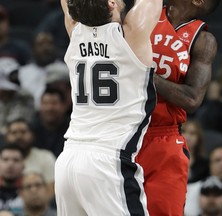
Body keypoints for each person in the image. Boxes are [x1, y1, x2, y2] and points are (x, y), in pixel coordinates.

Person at [55, 0, 162, 215]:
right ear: (112, 3)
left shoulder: (74, 30)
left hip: (68, 160)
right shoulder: (132, 34)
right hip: (108, 162)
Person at [135, 1, 220, 215]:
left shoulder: (202, 40)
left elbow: (192, 99)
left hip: (164, 138)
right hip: (125, 132)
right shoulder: (146, 13)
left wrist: (146, 76)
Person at [5, 118, 56, 200]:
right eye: (14, 133)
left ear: (32, 135)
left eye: (23, 132)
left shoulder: (45, 157)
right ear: (6, 137)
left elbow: (52, 189)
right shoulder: (2, 160)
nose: (19, 136)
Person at [181, 119, 209, 183]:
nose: (187, 137)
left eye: (192, 133)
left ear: (198, 139)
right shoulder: (169, 159)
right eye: (183, 132)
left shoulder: (204, 164)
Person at [0, 144, 25, 215]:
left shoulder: (32, 189)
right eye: (5, 159)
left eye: (16, 160)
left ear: (23, 165)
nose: (10, 164)